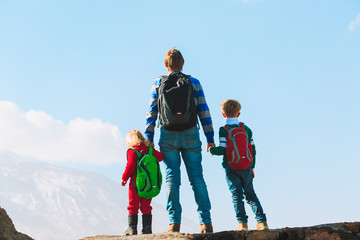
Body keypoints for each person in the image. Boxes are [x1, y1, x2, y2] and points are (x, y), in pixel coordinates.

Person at [145, 48, 215, 233]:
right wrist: (210, 137)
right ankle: (206, 222)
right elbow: (204, 110)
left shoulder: (158, 83)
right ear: (182, 64)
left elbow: (152, 111)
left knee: (171, 179)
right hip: (191, 133)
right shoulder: (194, 82)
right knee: (197, 178)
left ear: (165, 65)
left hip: (168, 135)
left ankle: (174, 223)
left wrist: (149, 137)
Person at [209, 99, 268, 231]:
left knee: (237, 195)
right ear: (238, 114)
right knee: (251, 194)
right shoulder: (246, 129)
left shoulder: (224, 130)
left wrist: (212, 150)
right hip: (246, 166)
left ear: (223, 115)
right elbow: (253, 149)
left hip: (231, 167)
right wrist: (252, 166)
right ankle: (262, 222)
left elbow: (223, 149)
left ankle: (242, 224)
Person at [121, 129, 164, 235]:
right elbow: (161, 157)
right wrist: (152, 149)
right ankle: (147, 229)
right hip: (149, 184)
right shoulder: (150, 150)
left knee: (133, 204)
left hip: (135, 185)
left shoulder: (132, 151)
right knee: (146, 205)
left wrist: (124, 178)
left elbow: (130, 166)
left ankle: (132, 228)